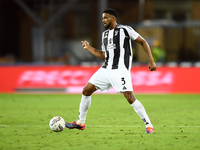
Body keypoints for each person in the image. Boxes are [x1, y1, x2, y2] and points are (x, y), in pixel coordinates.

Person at [65, 8, 156, 133]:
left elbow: (142, 41)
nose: (103, 20)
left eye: (106, 17)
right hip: (106, 69)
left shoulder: (125, 29)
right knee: (86, 90)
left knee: (129, 97)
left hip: (120, 70)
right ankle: (81, 122)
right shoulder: (105, 35)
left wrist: (151, 60)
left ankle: (149, 125)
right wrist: (89, 48)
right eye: (102, 18)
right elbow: (104, 55)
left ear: (113, 19)